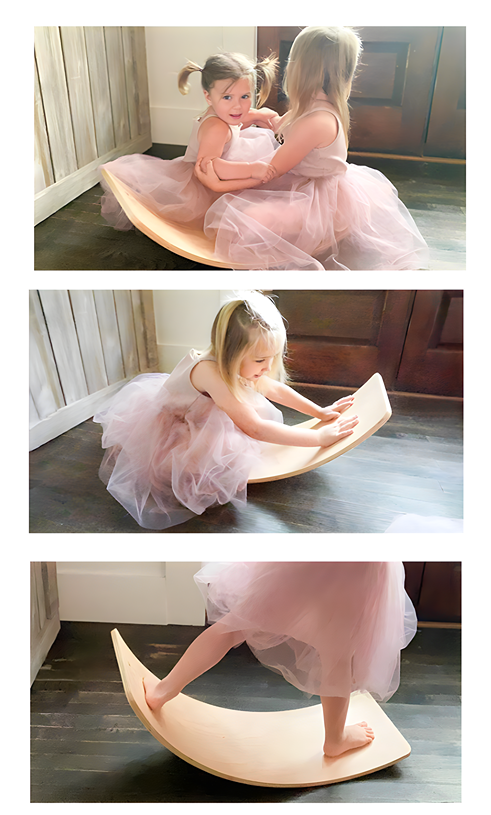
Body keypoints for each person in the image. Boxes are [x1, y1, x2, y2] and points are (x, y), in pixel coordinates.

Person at [93, 292, 358, 530]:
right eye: (260, 360)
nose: (268, 367)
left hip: (204, 413)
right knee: (219, 453)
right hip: (179, 425)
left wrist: (319, 412)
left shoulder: (236, 364)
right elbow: (253, 427)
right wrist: (318, 439)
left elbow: (273, 389)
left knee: (242, 425)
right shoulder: (209, 371)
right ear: (231, 353)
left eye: (273, 358)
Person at [196, 26, 430, 271]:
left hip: (318, 198)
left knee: (246, 219)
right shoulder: (309, 105)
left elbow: (268, 172)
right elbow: (282, 127)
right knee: (249, 160)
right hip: (298, 177)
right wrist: (258, 117)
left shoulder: (317, 121)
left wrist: (223, 185)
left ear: (301, 69)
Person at [144, 561, 417, 757]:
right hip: (357, 567)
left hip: (307, 559)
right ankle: (335, 739)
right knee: (338, 651)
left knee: (235, 625)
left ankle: (164, 689)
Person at [99, 51, 279, 231]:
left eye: (245, 96)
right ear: (208, 96)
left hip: (209, 168)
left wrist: (260, 116)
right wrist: (251, 168)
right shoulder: (216, 127)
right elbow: (213, 167)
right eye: (227, 97)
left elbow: (242, 120)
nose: (238, 106)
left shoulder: (222, 113)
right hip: (201, 184)